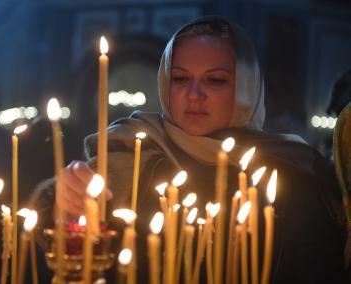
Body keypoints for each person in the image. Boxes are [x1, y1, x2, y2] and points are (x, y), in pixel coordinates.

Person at [32, 16, 347, 283]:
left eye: (216, 80)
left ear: (246, 88)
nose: (194, 94)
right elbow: (78, 262)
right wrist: (66, 210)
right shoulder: (128, 152)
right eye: (181, 78)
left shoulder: (292, 173)